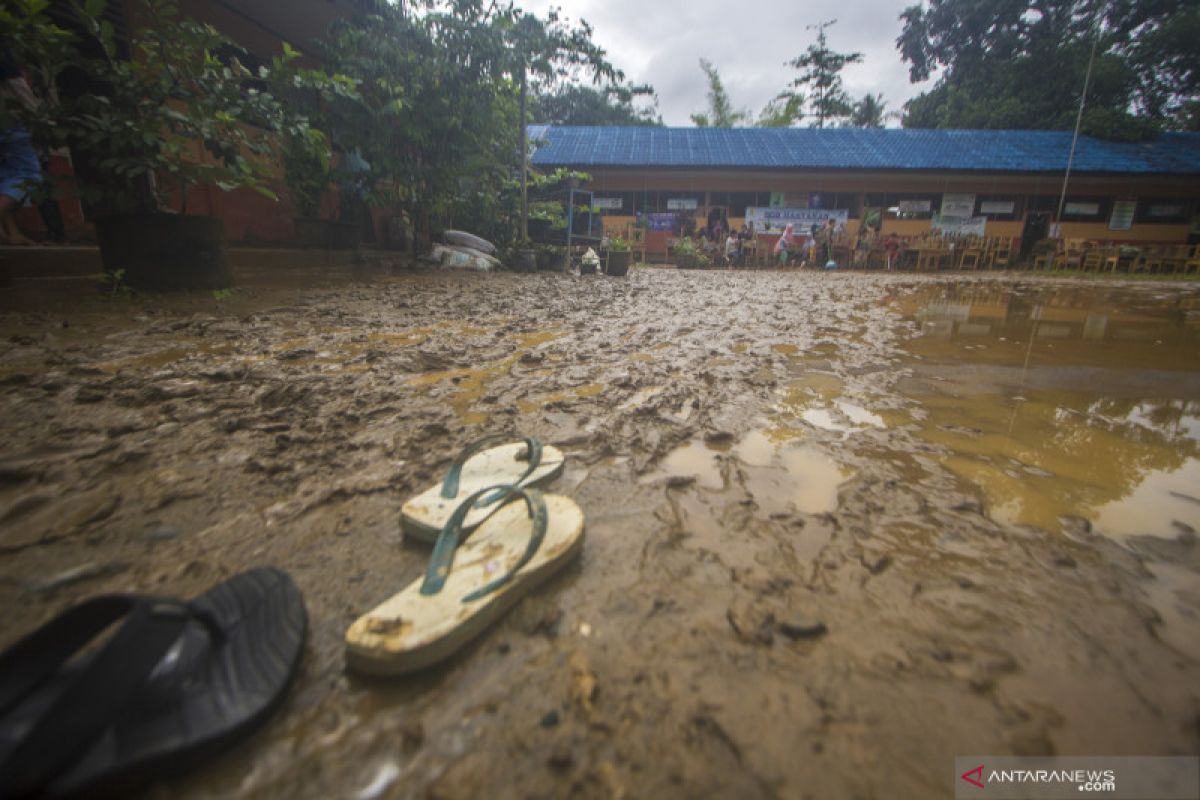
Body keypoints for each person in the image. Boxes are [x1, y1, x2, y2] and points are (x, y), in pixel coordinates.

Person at [0, 45, 41, 246]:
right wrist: (41, 118)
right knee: (27, 173)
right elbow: (18, 87)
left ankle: (11, 232)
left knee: (5, 177)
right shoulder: (4, 55)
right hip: (8, 121)